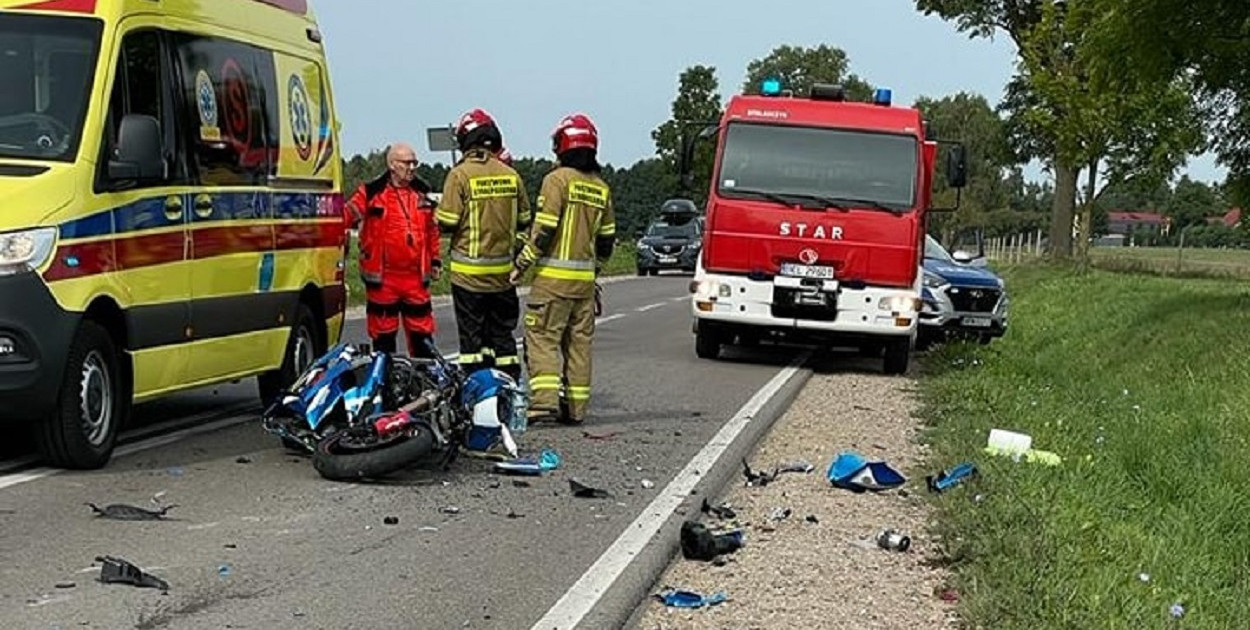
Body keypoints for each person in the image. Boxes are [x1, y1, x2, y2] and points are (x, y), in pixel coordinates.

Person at [511, 113, 615, 424]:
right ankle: (576, 408)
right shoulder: (601, 188)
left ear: (562, 145)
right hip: (584, 286)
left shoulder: (556, 180)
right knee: (579, 346)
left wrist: (522, 263)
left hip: (553, 283)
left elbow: (544, 229)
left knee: (542, 339)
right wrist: (594, 272)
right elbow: (607, 240)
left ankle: (543, 404)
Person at [435, 109, 531, 378]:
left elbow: (448, 221)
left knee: (473, 341)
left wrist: (434, 214)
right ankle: (509, 385)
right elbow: (525, 219)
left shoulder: (460, 175)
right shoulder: (510, 174)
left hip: (469, 278)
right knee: (502, 337)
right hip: (502, 276)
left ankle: (478, 388)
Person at [343, 142, 441, 357]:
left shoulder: (422, 193)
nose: (412, 168)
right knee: (383, 337)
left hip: (415, 278)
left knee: (422, 335)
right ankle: (385, 375)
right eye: (407, 163)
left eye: (415, 163)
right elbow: (346, 216)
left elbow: (432, 231)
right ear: (392, 165)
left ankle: (425, 375)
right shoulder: (371, 192)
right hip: (384, 279)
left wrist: (435, 260)